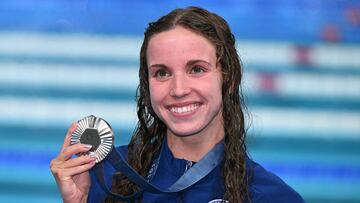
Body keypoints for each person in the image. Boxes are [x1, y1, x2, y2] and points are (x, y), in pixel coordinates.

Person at [50, 6, 306, 203]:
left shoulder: (271, 196)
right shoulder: (105, 177)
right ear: (147, 83)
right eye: (162, 73)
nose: (179, 90)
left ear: (228, 79)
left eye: (196, 69)